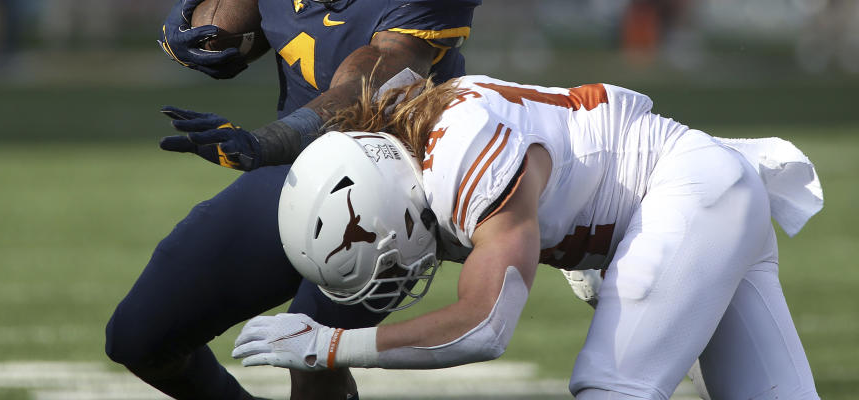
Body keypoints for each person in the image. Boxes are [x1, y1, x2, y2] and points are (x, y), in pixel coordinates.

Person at [103, 0, 481, 400]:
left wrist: (266, 142)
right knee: (139, 337)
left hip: (388, 190)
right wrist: (224, 26)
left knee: (310, 359)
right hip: (296, 171)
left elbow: (362, 82)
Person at [233, 74, 824, 400]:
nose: (400, 275)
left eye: (384, 258)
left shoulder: (461, 160)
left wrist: (330, 345)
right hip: (702, 195)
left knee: (613, 390)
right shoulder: (412, 140)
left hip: (690, 193)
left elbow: (485, 326)